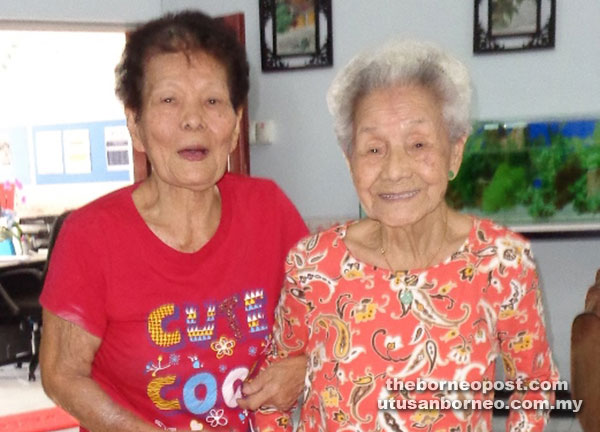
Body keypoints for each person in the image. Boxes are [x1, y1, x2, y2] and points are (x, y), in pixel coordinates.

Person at [254, 39, 559, 431]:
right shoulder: (313, 265)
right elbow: (269, 391)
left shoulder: (502, 263)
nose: (395, 170)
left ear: (455, 152)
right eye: (373, 150)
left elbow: (534, 388)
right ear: (350, 162)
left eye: (417, 144)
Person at [39, 11, 308, 432]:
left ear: (236, 125)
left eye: (213, 101)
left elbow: (325, 324)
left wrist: (303, 366)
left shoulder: (269, 210)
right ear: (136, 124)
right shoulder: (92, 235)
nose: (193, 120)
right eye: (168, 100)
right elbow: (61, 374)